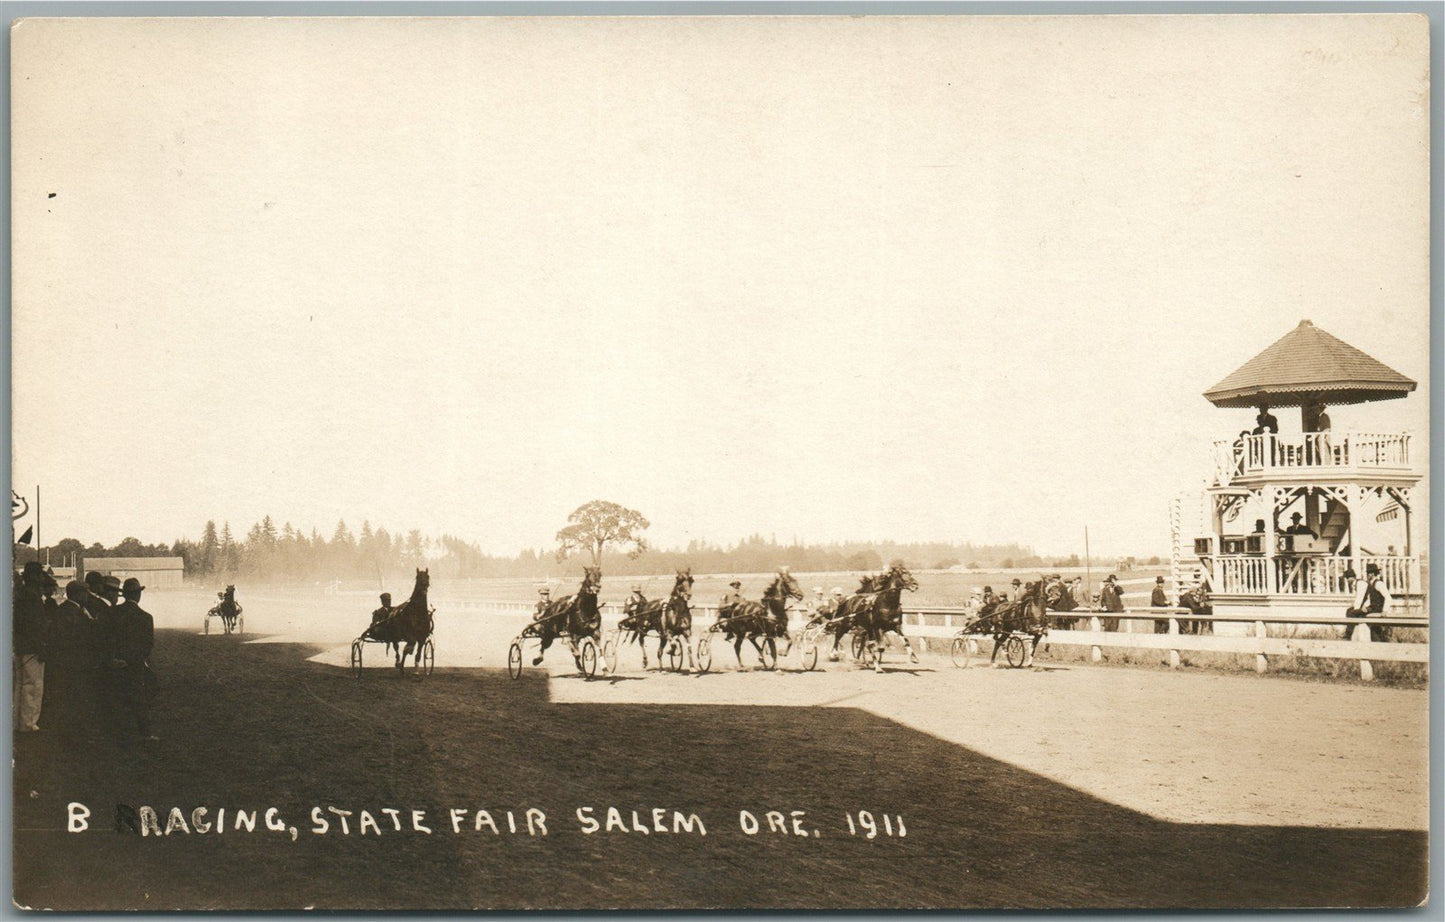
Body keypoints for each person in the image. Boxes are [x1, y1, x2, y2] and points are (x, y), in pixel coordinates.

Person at [41, 581, 107, 740]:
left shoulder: (63, 609)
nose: (87, 596)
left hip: (64, 660)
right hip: (77, 660)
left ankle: (68, 729)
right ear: (78, 594)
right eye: (85, 593)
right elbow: (83, 635)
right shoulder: (76, 613)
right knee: (80, 695)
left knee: (68, 695)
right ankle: (79, 730)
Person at [110, 578, 157, 743]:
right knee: (138, 697)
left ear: (124, 595)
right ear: (138, 595)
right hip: (135, 664)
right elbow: (148, 645)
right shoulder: (146, 617)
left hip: (114, 663)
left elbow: (106, 638)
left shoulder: (112, 613)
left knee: (115, 698)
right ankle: (145, 733)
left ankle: (115, 733)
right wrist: (135, 660)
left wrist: (113, 658)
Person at [13, 561, 55, 732]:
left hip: (22, 645)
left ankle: (18, 721)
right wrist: (41, 646)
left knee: (20, 684)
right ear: (35, 576)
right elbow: (35, 625)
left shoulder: (22, 593)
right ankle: (28, 722)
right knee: (33, 685)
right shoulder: (32, 597)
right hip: (32, 647)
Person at [1345, 563, 1391, 641]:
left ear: (1372, 574)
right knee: (1373, 629)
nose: (1367, 575)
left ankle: (1349, 635)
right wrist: (1365, 606)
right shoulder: (1371, 583)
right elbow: (1369, 598)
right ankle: (1378, 640)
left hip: (1377, 609)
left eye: (1368, 573)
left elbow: (1388, 597)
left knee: (1353, 612)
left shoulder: (1378, 584)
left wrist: (1385, 610)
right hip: (1371, 608)